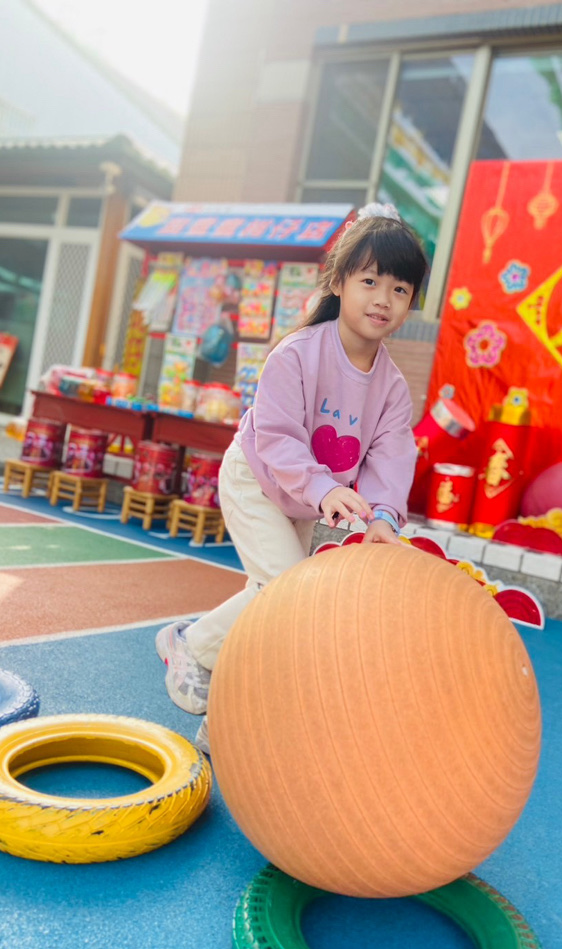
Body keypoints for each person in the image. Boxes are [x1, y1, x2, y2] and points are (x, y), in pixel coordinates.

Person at [155, 203, 428, 753]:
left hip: (306, 499)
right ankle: (202, 660)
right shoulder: (298, 353)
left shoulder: (393, 388)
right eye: (370, 281)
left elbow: (392, 457)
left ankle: (210, 680)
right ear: (339, 282)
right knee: (285, 593)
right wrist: (326, 489)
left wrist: (382, 517)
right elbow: (277, 438)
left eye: (399, 289)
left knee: (282, 601)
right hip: (256, 479)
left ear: (410, 302)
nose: (383, 298)